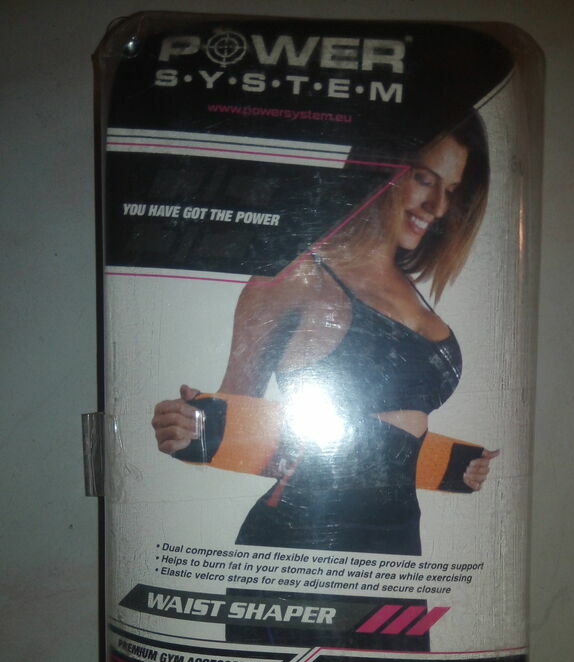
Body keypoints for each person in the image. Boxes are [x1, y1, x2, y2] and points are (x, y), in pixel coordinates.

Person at [153, 112, 498, 555]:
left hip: (397, 542)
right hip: (296, 537)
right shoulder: (295, 278)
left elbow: (384, 450)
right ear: (377, 167)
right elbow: (240, 421)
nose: (438, 207)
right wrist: (191, 429)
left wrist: (456, 468)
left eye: (450, 190)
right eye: (423, 179)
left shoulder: (414, 292)